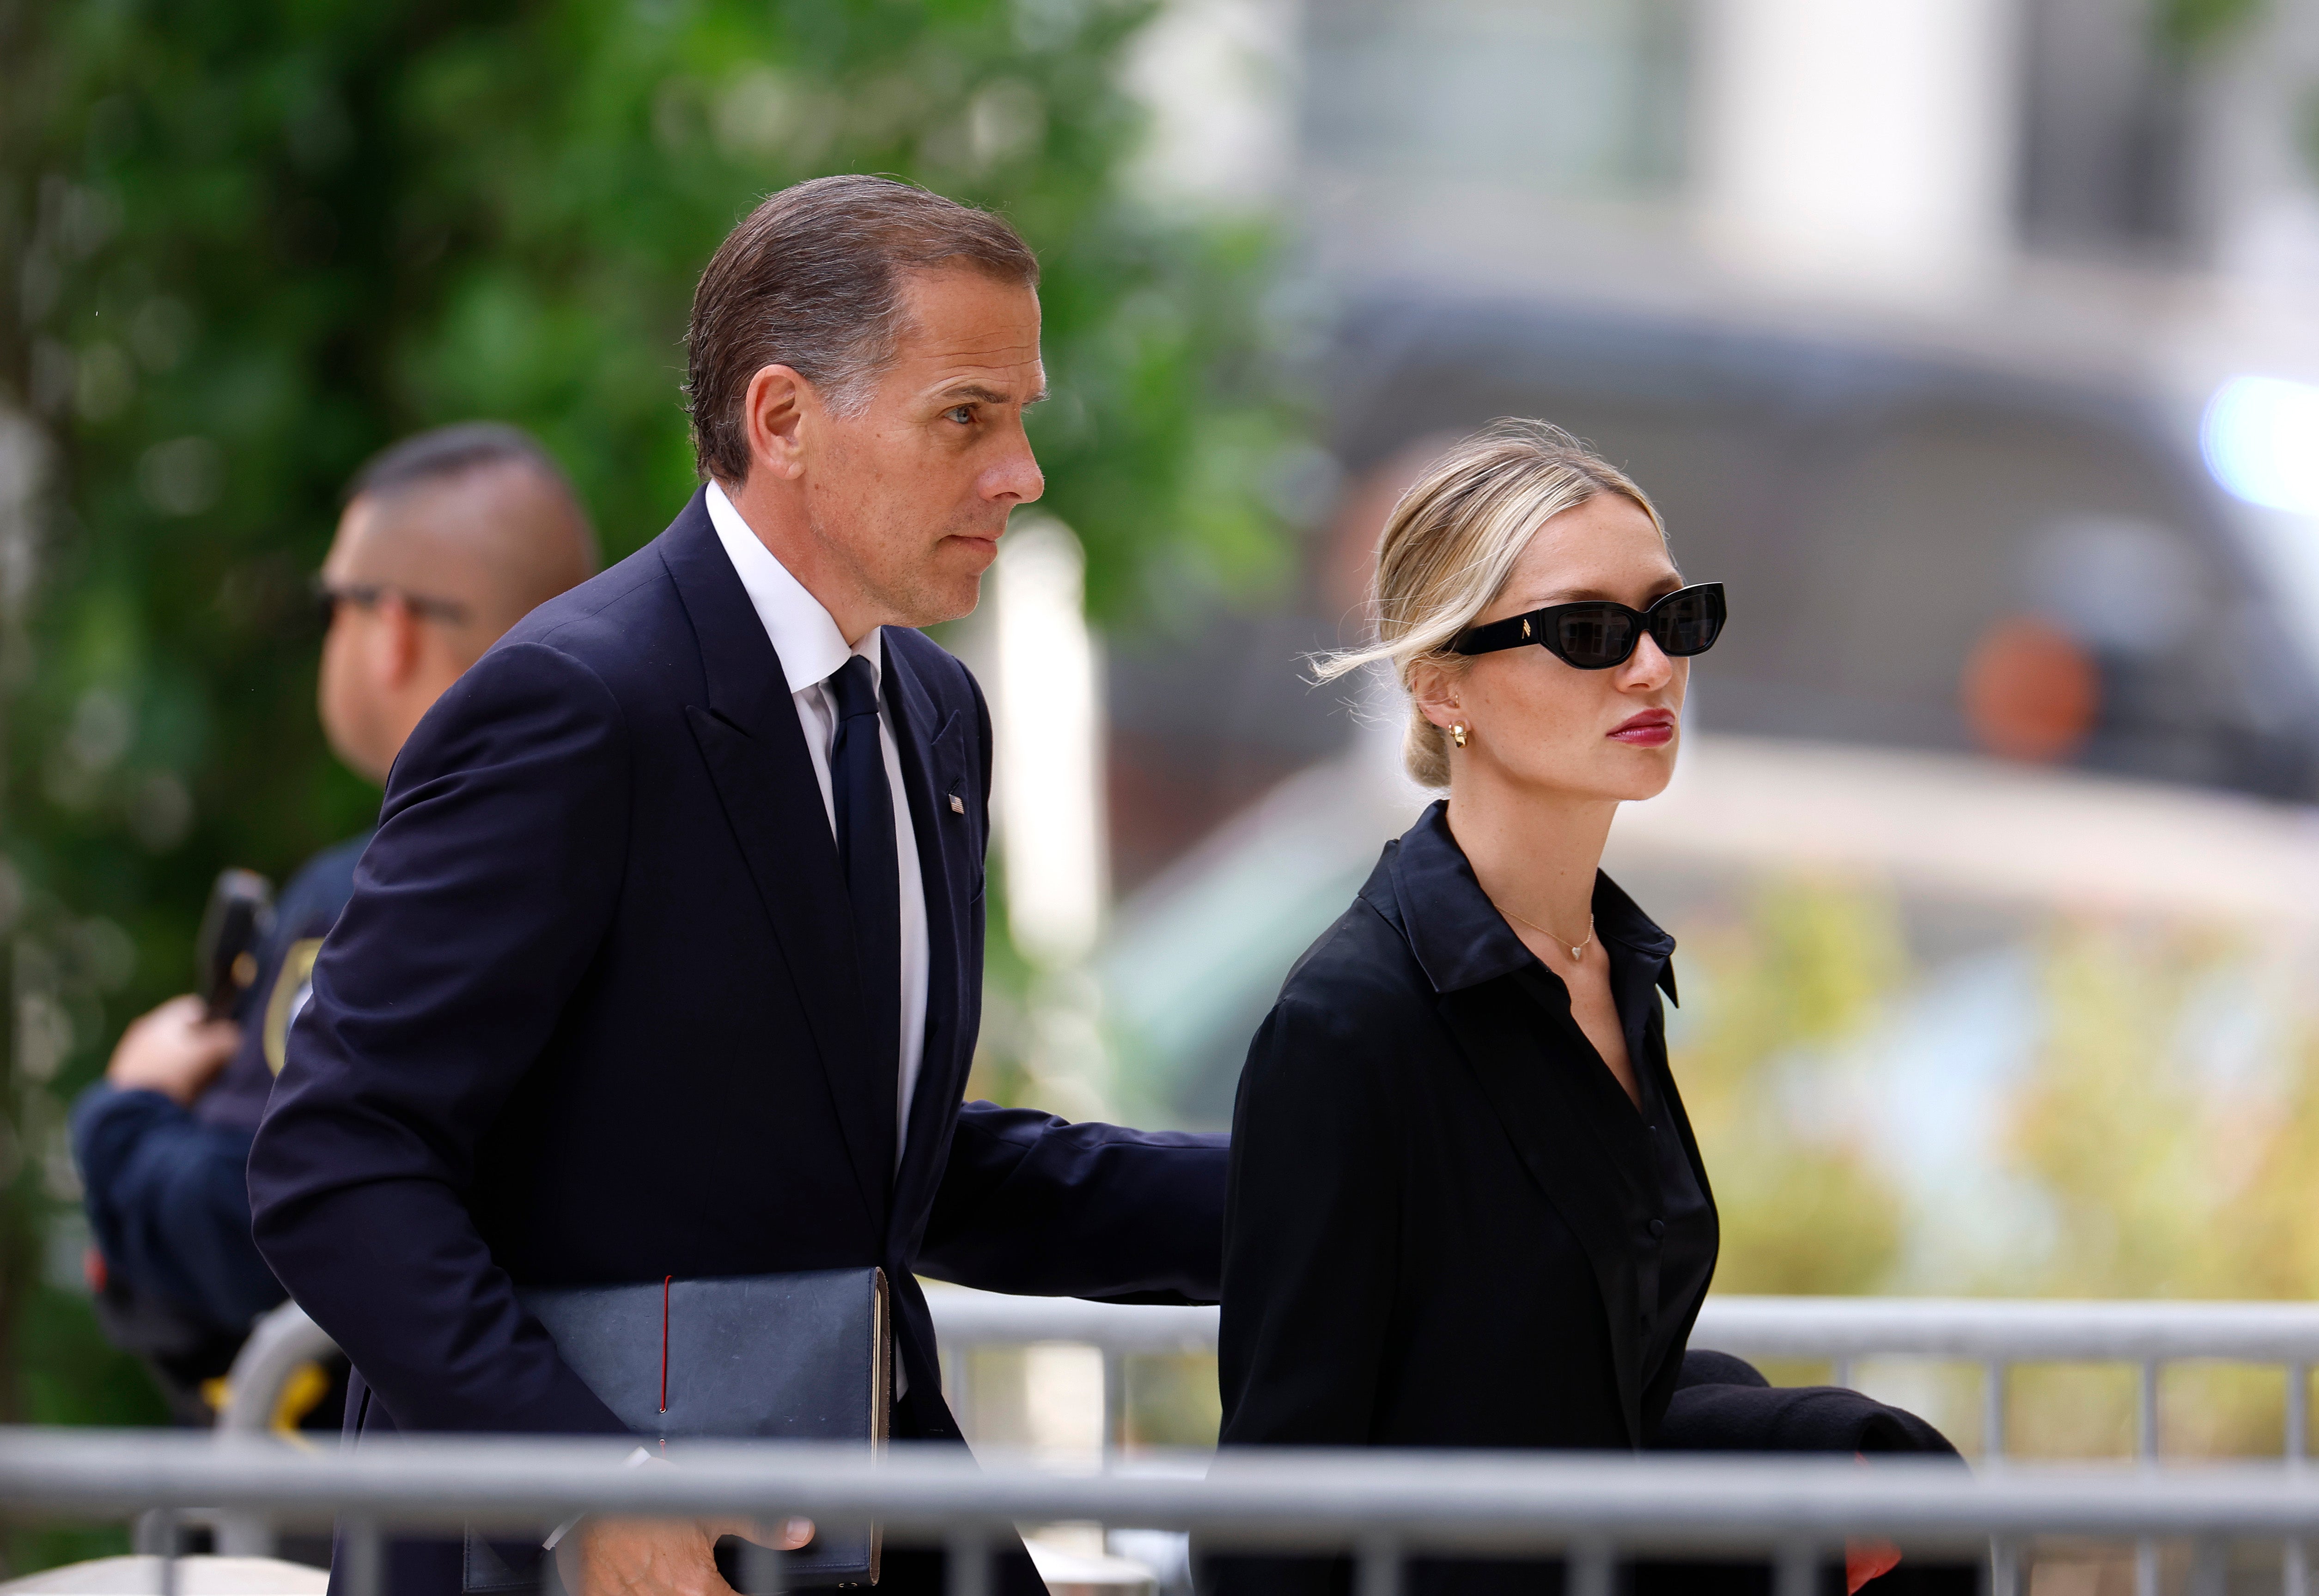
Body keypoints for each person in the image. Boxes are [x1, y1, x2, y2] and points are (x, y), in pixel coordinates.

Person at [247, 175, 1230, 1596]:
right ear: (780, 420)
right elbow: (337, 1158)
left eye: (1021, 415)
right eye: (966, 413)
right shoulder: (575, 703)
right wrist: (584, 1490)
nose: (1021, 470)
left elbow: (881, 1169)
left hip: (856, 1504)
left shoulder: (936, 712)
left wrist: (1322, 1197)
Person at [1209, 421, 1963, 1596]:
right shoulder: (1355, 1019)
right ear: (1440, 680)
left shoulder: (1615, 964)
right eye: (1585, 633)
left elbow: (1601, 1377)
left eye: (1673, 618)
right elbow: (1278, 1497)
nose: (1651, 666)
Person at [72, 424, 598, 1424]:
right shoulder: (651, 847)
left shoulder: (383, 891)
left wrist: (126, 1119)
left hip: (389, 1504)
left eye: (333, 605)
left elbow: (261, 1218)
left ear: (392, 625)